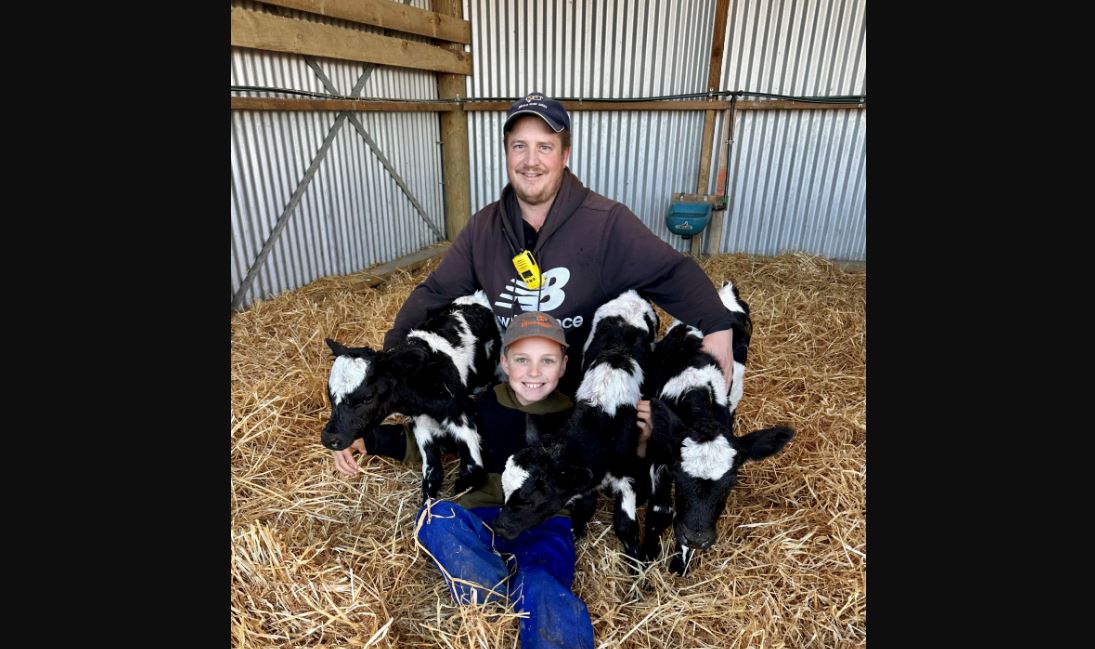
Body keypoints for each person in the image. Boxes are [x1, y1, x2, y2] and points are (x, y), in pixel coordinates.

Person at [382, 92, 736, 398]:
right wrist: (389, 361)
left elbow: (671, 271)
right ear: (506, 153)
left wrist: (718, 326)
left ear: (565, 155)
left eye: (544, 147)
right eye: (519, 146)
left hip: (586, 393)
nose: (530, 161)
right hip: (517, 388)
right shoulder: (483, 228)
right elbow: (435, 293)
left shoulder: (606, 222)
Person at [333, 312, 596, 649]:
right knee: (435, 518)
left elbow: (607, 461)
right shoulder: (482, 405)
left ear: (563, 365)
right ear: (504, 362)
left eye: (547, 361)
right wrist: (369, 440)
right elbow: (432, 438)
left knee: (543, 585)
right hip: (480, 514)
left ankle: (547, 627)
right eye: (522, 360)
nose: (533, 372)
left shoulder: (576, 418)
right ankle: (485, 595)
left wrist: (643, 438)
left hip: (542, 525)